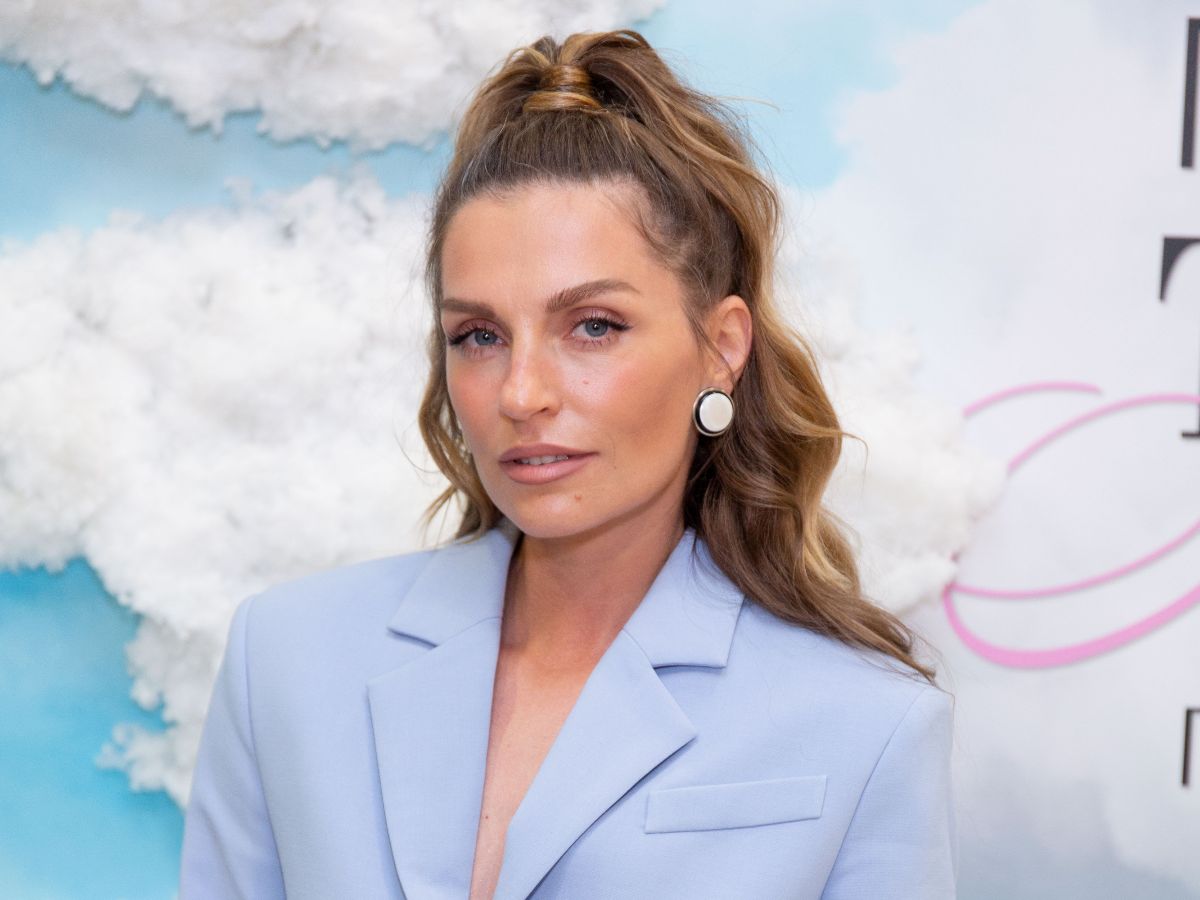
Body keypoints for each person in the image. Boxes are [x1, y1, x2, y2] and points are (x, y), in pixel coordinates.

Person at [179, 28, 957, 900]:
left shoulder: (867, 722)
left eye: (593, 326)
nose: (521, 392)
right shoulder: (285, 659)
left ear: (721, 348)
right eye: (479, 335)